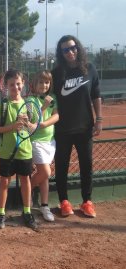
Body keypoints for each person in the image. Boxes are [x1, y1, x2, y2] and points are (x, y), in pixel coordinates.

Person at [52, 35, 102, 218]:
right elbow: (49, 98)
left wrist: (99, 120)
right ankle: (64, 202)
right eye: (65, 50)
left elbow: (96, 95)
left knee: (86, 166)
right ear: (61, 53)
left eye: (73, 48)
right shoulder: (56, 73)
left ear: (78, 48)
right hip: (63, 129)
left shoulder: (90, 69)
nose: (70, 52)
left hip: (85, 128)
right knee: (62, 167)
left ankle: (87, 202)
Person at [0, 69, 38, 231]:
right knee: (4, 181)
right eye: (12, 84)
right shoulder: (2, 105)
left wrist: (28, 124)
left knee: (26, 180)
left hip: (25, 150)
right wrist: (12, 127)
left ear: (23, 84)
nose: (15, 87)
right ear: (6, 86)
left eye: (18, 84)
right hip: (6, 152)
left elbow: (34, 129)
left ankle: (27, 212)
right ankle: (1, 213)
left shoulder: (29, 105)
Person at [27, 70, 59, 222]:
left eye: (46, 82)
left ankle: (44, 205)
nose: (44, 85)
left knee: (45, 176)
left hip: (50, 141)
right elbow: (32, 121)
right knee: (45, 172)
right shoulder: (30, 100)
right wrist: (44, 107)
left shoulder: (53, 98)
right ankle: (26, 190)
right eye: (41, 82)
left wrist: (45, 123)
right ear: (34, 84)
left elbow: (57, 115)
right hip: (36, 142)